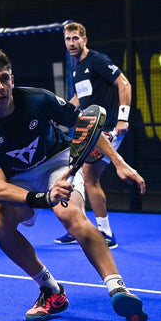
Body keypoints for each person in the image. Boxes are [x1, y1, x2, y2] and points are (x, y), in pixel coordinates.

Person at [0, 49, 148, 321]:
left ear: (13, 80)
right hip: (17, 179)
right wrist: (43, 198)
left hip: (57, 162)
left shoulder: (38, 99)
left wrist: (119, 162)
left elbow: (87, 124)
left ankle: (118, 288)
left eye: (4, 79)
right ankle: (51, 291)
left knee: (69, 215)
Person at [55, 22, 132, 248]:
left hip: (109, 128)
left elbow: (124, 84)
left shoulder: (97, 60)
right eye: (68, 39)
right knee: (74, 176)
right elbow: (80, 97)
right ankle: (77, 226)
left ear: (84, 40)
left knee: (89, 178)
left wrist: (123, 117)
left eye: (75, 38)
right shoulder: (75, 67)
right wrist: (59, 114)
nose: (71, 43)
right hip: (90, 130)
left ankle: (106, 234)